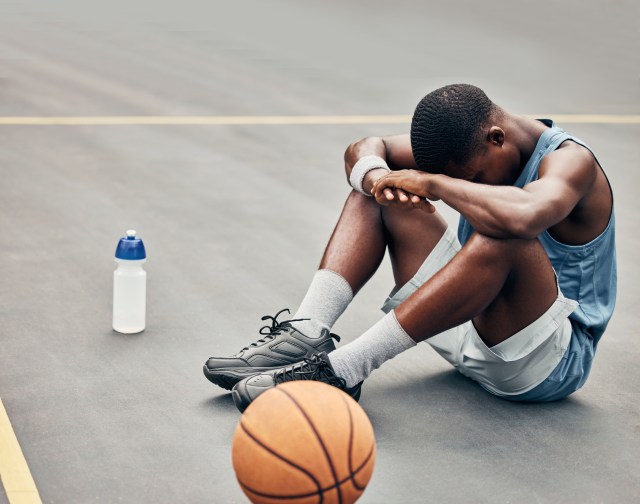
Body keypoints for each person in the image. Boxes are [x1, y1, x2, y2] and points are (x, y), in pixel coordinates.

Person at [203, 84, 617, 412]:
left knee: (504, 234)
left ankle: (342, 372)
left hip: (544, 365)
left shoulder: (572, 162)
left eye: (475, 177)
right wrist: (377, 177)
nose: (473, 185)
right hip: (466, 326)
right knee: (376, 192)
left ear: (496, 138)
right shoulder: (474, 144)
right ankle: (306, 332)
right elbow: (364, 148)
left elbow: (526, 216)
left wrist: (435, 183)